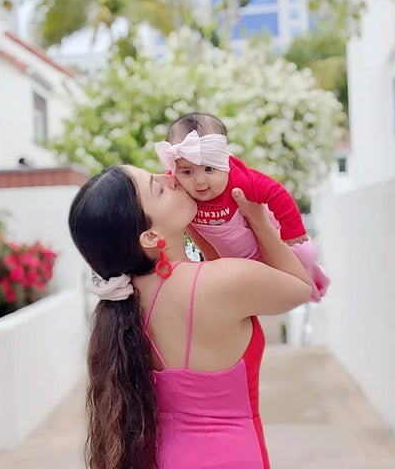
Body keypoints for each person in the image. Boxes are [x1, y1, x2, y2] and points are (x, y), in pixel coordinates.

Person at [68, 164, 311, 469]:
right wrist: (256, 217)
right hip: (232, 456)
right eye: (159, 187)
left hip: (161, 457)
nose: (172, 178)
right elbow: (301, 286)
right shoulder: (221, 282)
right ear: (150, 235)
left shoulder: (124, 303)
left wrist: (194, 226)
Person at [155, 112, 330, 302]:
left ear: (222, 162)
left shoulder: (240, 181)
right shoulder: (179, 189)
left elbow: (276, 192)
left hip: (268, 244)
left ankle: (316, 280)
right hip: (235, 261)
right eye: (187, 172)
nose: (199, 181)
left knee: (305, 253)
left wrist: (292, 230)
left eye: (209, 169)